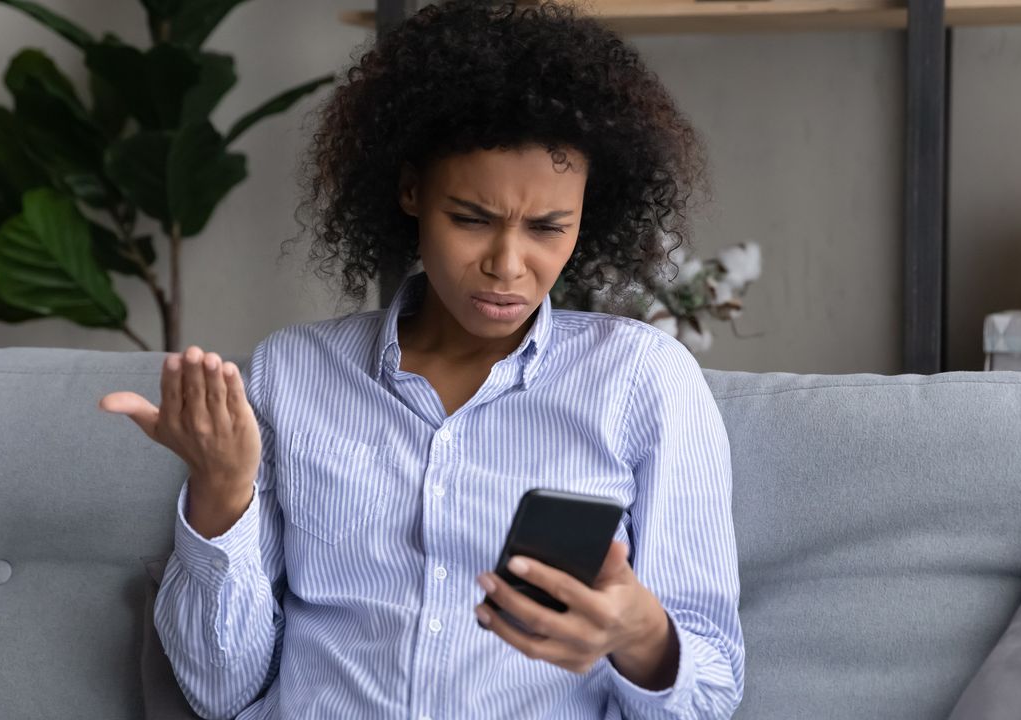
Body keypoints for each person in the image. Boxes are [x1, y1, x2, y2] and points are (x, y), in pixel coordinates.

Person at [100, 1, 743, 717]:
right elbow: (221, 691)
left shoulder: (643, 381)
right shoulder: (291, 375)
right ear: (410, 191)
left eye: (548, 228)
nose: (508, 265)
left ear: (587, 214)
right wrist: (220, 492)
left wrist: (641, 634)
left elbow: (709, 692)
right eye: (471, 219)